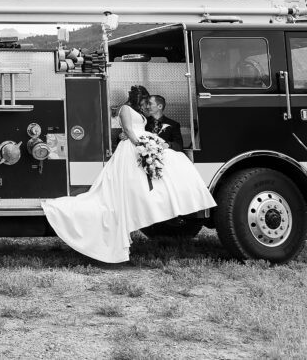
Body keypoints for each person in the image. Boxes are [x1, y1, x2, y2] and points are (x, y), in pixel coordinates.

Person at [41, 85, 216, 263]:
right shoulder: (125, 109)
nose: (146, 105)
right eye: (144, 101)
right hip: (133, 148)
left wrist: (148, 143)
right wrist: (140, 144)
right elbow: (129, 129)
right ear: (137, 98)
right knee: (127, 184)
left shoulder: (142, 114)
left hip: (140, 145)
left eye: (148, 103)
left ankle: (165, 205)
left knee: (167, 168)